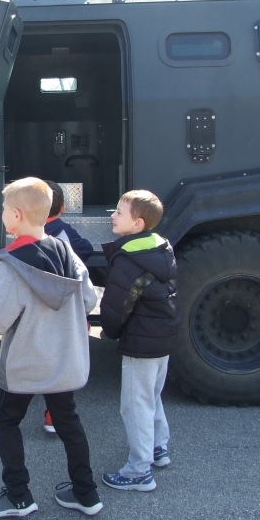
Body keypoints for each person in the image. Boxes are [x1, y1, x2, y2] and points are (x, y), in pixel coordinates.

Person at [0, 177, 103, 518]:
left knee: (5, 420)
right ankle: (86, 493)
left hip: (24, 364)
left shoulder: (10, 263)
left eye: (4, 209)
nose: (2, 214)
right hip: (64, 362)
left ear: (15, 215)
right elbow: (88, 299)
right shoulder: (67, 252)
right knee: (68, 422)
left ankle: (18, 496)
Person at [99, 190, 180, 492]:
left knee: (134, 405)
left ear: (137, 223)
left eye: (119, 212)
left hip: (140, 342)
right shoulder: (161, 250)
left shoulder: (128, 260)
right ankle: (158, 447)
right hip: (162, 337)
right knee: (151, 395)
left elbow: (115, 306)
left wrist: (110, 331)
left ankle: (138, 471)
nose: (112, 216)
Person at [41, 180, 95, 434]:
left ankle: (47, 412)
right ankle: (55, 415)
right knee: (65, 362)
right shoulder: (63, 232)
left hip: (44, 312)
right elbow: (85, 248)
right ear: (62, 208)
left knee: (48, 361)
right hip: (69, 311)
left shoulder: (29, 237)